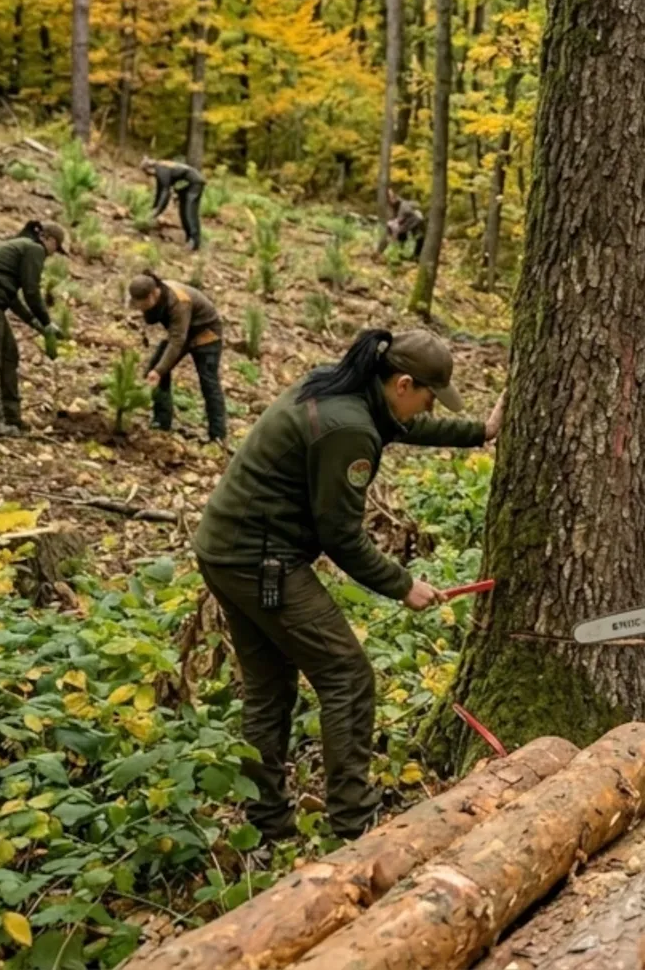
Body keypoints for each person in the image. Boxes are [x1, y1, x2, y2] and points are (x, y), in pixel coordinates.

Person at [190, 328, 502, 841]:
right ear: (403, 383)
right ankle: (355, 827)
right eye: (426, 395)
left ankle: (268, 826)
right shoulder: (347, 429)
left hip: (227, 550)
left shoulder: (342, 392)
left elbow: (401, 428)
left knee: (270, 689)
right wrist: (403, 584)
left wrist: (479, 432)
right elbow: (340, 535)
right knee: (348, 679)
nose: (426, 406)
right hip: (260, 562)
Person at [0, 220, 66, 436]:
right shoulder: (34, 249)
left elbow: (12, 298)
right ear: (50, 240)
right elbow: (31, 292)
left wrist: (34, 323)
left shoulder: (22, 247)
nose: (54, 255)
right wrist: (47, 322)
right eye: (57, 249)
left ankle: (12, 417)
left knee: (9, 355)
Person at [128, 272, 227, 444]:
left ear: (153, 294)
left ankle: (217, 436)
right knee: (156, 368)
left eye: (142, 304)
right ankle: (161, 422)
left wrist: (159, 370)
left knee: (209, 383)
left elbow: (177, 340)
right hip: (183, 332)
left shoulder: (179, 302)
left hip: (206, 335)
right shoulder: (155, 295)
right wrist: (158, 370)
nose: (140, 308)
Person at [141, 157, 207, 250]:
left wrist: (156, 212)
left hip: (194, 182)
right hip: (187, 184)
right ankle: (190, 239)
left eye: (147, 173)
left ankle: (194, 241)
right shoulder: (161, 169)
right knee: (183, 212)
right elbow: (159, 192)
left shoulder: (161, 169)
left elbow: (165, 193)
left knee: (189, 212)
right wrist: (154, 208)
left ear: (149, 168)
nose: (150, 175)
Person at [378, 190, 425, 257]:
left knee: (419, 237)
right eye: (389, 198)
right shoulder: (392, 206)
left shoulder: (403, 205)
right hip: (405, 223)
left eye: (392, 197)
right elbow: (393, 221)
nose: (391, 199)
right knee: (401, 236)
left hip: (415, 220)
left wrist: (399, 222)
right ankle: (400, 253)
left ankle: (416, 256)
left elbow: (410, 214)